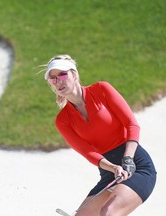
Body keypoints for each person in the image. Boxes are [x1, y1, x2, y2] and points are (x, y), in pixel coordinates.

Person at [44, 54, 157, 215]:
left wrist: (128, 159)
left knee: (108, 212)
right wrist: (113, 167)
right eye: (53, 79)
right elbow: (88, 152)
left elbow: (132, 124)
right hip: (109, 172)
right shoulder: (62, 121)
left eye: (62, 74)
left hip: (137, 166)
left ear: (74, 75)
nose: (58, 81)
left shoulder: (101, 89)